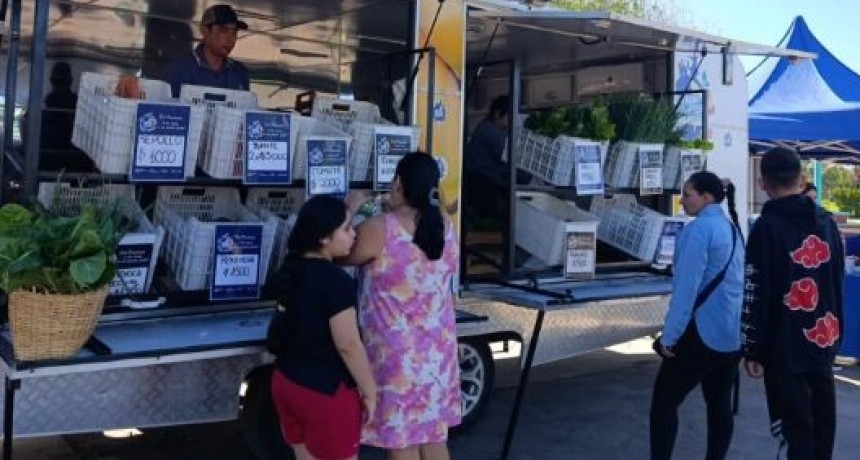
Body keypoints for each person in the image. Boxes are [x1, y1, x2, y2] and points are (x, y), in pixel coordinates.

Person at [341, 152, 461, 460]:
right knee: (435, 439)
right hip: (438, 354)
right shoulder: (445, 225)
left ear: (398, 184)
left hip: (396, 356)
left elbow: (337, 253)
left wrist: (350, 210)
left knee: (402, 443)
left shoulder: (380, 228)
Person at [742, 147, 844, 460]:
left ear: (762, 183)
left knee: (795, 428)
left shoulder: (766, 227)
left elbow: (756, 289)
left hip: (784, 345)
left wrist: (752, 347)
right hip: (823, 336)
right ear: (801, 179)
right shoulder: (827, 222)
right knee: (822, 424)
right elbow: (835, 280)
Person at [266, 195, 377, 460]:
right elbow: (348, 345)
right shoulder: (335, 281)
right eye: (348, 228)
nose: (354, 235)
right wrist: (370, 391)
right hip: (325, 392)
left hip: (286, 382)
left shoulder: (291, 269)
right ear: (324, 238)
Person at [650, 171, 744, 460]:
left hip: (701, 332)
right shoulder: (731, 229)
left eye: (687, 195)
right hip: (730, 335)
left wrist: (670, 336)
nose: (682, 202)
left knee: (664, 403)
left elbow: (685, 289)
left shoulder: (699, 230)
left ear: (707, 197)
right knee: (719, 404)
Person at [464, 95, 529, 220]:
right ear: (498, 114)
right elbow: (509, 157)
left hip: (487, 180)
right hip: (481, 183)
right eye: (509, 116)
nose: (512, 121)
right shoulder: (489, 131)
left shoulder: (495, 128)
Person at [167, 4, 250, 97]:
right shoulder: (181, 69)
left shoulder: (240, 73)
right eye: (223, 30)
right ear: (205, 30)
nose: (230, 39)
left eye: (234, 32)